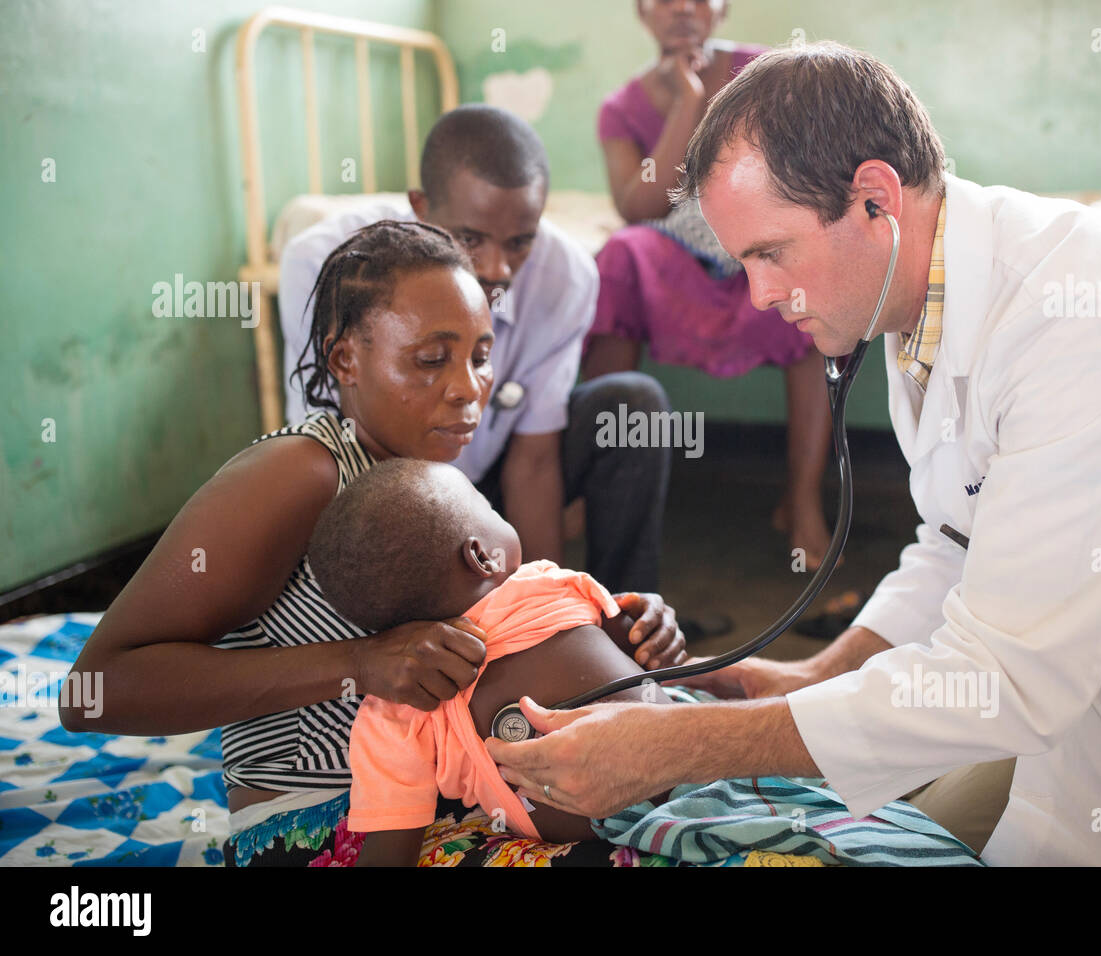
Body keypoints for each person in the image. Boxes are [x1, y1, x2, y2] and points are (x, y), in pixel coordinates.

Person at [488, 42, 1101, 867]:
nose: (761, 295)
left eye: (771, 253)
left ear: (876, 198)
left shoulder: (1089, 322)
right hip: (1099, 665)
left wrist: (684, 743)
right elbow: (961, 537)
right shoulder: (921, 301)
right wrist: (817, 677)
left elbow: (1004, 680)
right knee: (929, 826)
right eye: (744, 263)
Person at [58, 221, 686, 868]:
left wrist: (613, 633)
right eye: (431, 359)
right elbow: (95, 690)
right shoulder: (300, 475)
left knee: (690, 788)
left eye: (480, 354)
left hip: (464, 793)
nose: (470, 387)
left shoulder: (430, 469)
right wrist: (359, 662)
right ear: (345, 361)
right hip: (328, 826)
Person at [313, 459, 976, 868]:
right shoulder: (549, 579)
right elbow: (634, 638)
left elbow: (389, 844)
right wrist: (652, 625)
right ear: (480, 556)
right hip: (695, 764)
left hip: (606, 821)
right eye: (489, 512)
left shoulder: (393, 709)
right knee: (833, 816)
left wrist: (649, 627)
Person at [279, 105, 670, 596]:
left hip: (492, 488)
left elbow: (535, 459)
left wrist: (552, 612)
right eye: (470, 239)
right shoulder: (328, 265)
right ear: (420, 209)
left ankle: (622, 623)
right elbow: (331, 455)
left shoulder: (566, 276)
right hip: (375, 502)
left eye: (520, 242)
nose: (498, 269)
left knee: (633, 405)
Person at [581, 0, 836, 568]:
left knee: (806, 268)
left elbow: (801, 177)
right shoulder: (622, 108)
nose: (681, 9)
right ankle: (593, 482)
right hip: (676, 259)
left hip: (755, 253)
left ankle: (802, 500)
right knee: (620, 257)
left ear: (722, 9)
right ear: (641, 12)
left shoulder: (764, 75)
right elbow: (640, 206)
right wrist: (689, 103)